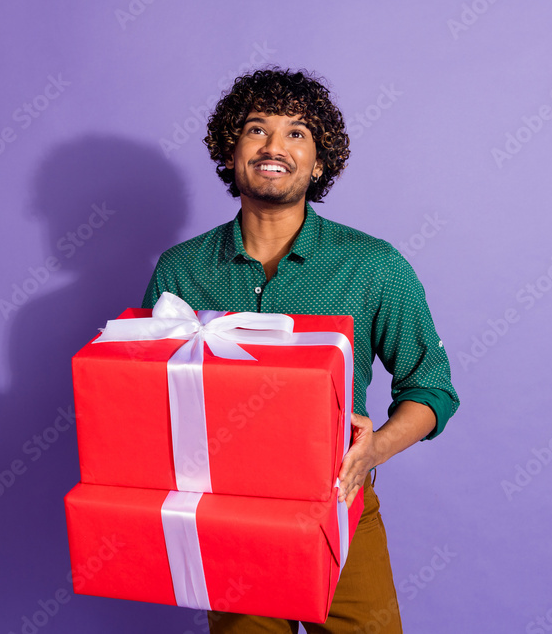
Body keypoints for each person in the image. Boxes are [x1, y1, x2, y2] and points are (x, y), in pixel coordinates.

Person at [141, 67, 459, 634]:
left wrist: (372, 451)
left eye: (297, 133)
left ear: (318, 163)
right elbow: (150, 395)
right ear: (230, 150)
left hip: (337, 500)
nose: (273, 146)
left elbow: (432, 388)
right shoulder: (181, 269)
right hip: (229, 515)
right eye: (256, 129)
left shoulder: (372, 265)